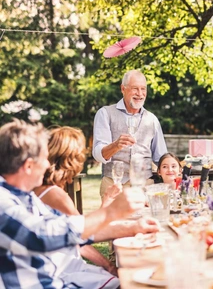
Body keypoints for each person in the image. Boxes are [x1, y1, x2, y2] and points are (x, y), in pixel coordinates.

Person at [0, 119, 160, 288]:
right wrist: (109, 212)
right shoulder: (3, 200)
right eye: (44, 159)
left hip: (56, 279)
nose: (48, 164)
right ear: (29, 166)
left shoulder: (25, 196)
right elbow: (40, 235)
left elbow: (72, 230)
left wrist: (133, 228)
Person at [34, 126, 119, 276]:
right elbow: (83, 237)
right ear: (72, 158)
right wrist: (110, 268)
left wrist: (106, 201)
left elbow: (77, 232)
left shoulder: (41, 187)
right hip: (63, 269)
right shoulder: (55, 195)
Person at [92, 69, 167, 198]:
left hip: (145, 186)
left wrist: (174, 166)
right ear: (123, 89)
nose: (140, 94)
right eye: (135, 89)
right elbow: (98, 154)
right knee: (116, 219)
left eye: (143, 89)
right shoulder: (105, 113)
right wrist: (115, 145)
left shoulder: (152, 119)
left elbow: (161, 157)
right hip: (114, 185)